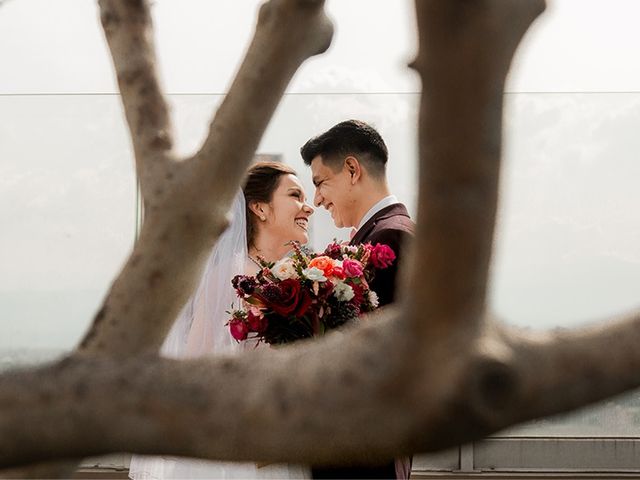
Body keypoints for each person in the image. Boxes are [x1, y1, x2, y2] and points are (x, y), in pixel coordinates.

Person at [129, 161, 314, 479]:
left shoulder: (298, 278)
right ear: (260, 208)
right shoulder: (228, 276)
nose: (308, 208)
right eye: (295, 195)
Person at [301, 120, 414, 480]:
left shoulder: (389, 239)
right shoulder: (386, 232)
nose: (316, 199)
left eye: (320, 182)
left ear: (352, 170)